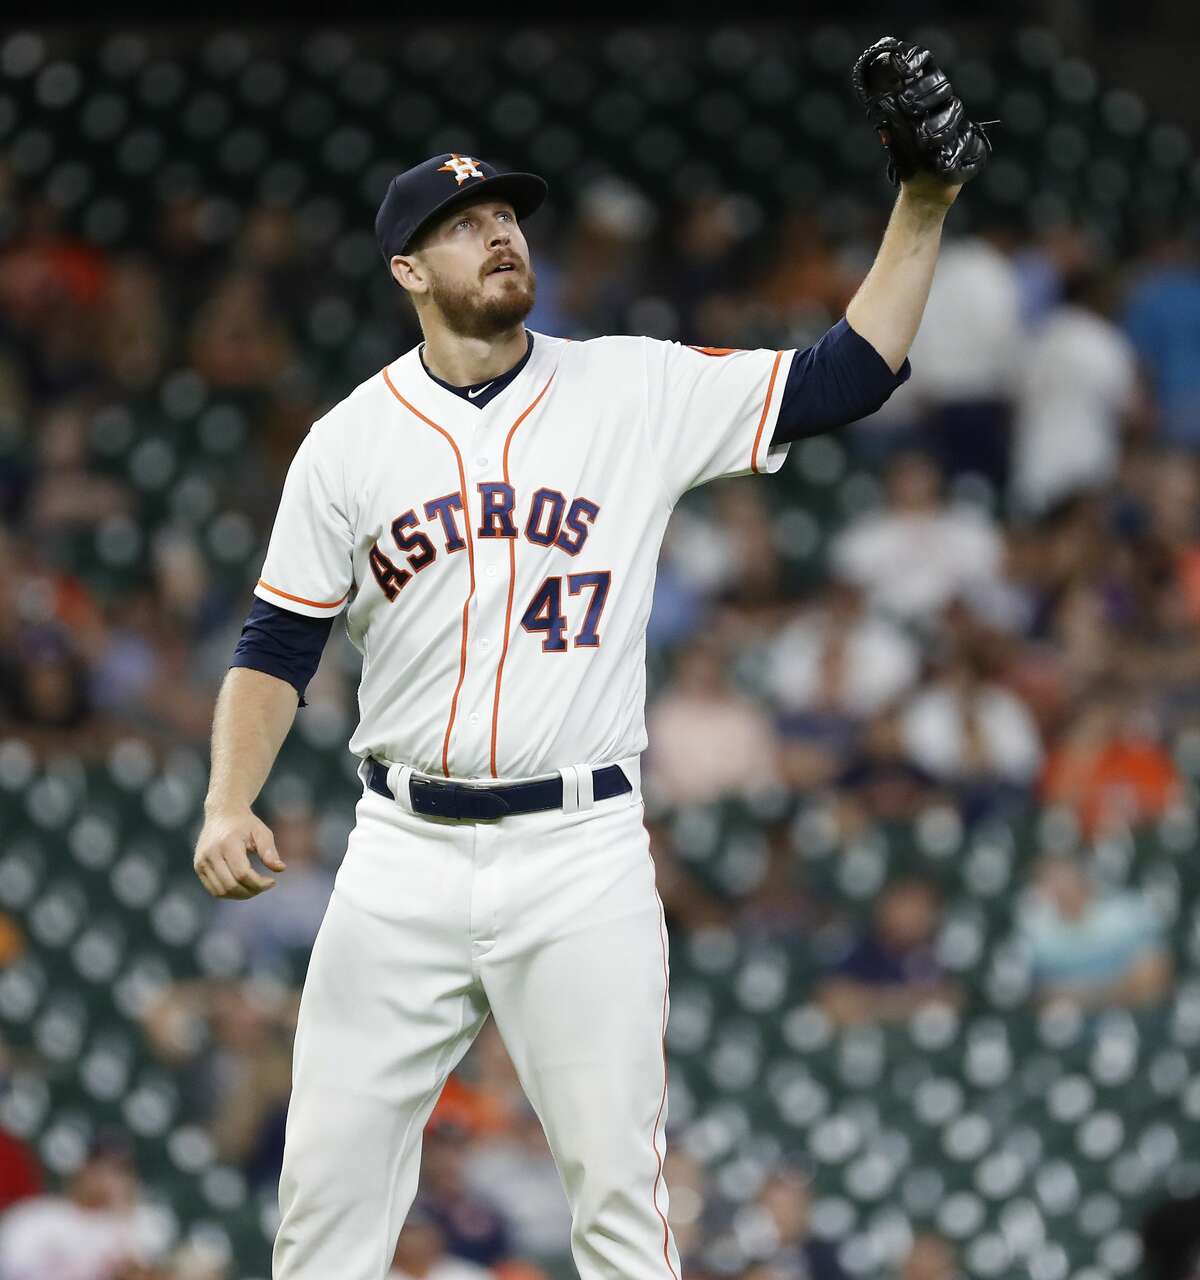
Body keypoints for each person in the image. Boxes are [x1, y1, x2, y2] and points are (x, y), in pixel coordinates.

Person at [191, 126, 969, 1280]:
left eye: (506, 215)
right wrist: (227, 798)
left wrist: (923, 199)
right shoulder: (345, 444)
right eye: (463, 224)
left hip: (580, 846)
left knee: (618, 1204)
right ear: (407, 270)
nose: (499, 231)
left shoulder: (630, 385)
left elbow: (847, 375)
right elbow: (276, 640)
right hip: (401, 849)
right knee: (324, 1208)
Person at [0, 1129, 168, 1280]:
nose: (107, 1178)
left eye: (119, 1170)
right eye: (101, 1166)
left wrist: (123, 1217)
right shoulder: (36, 1216)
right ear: (84, 1166)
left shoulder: (135, 1228)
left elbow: (144, 1272)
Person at [1018, 855, 1172, 1010]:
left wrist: (1092, 997)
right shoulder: (1034, 932)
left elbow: (1152, 976)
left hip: (1129, 1014)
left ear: (1082, 877)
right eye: (1048, 880)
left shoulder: (1127, 913)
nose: (1060, 887)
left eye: (1065, 877)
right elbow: (1037, 995)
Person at [818, 878, 960, 1028]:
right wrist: (907, 1002)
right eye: (904, 903)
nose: (910, 914)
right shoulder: (861, 946)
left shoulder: (944, 951)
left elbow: (949, 1002)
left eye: (920, 907)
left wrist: (870, 1002)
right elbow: (835, 1001)